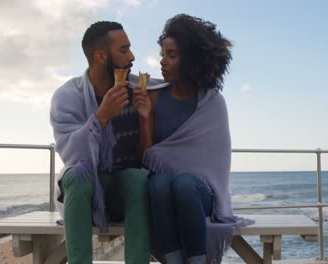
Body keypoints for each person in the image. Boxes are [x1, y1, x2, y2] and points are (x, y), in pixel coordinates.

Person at [138, 14, 253, 264]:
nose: (162, 62)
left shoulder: (211, 102)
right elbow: (148, 159)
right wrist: (145, 117)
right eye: (162, 54)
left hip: (200, 192)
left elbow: (215, 162)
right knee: (157, 184)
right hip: (163, 189)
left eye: (172, 55)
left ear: (190, 60)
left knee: (185, 184)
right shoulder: (154, 96)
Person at [50, 21, 166, 264]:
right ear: (101, 56)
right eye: (124, 50)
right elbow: (71, 156)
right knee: (76, 175)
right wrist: (101, 117)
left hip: (124, 193)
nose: (132, 57)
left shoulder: (138, 89)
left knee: (137, 178)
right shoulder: (67, 97)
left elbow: (178, 88)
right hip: (86, 196)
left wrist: (146, 119)